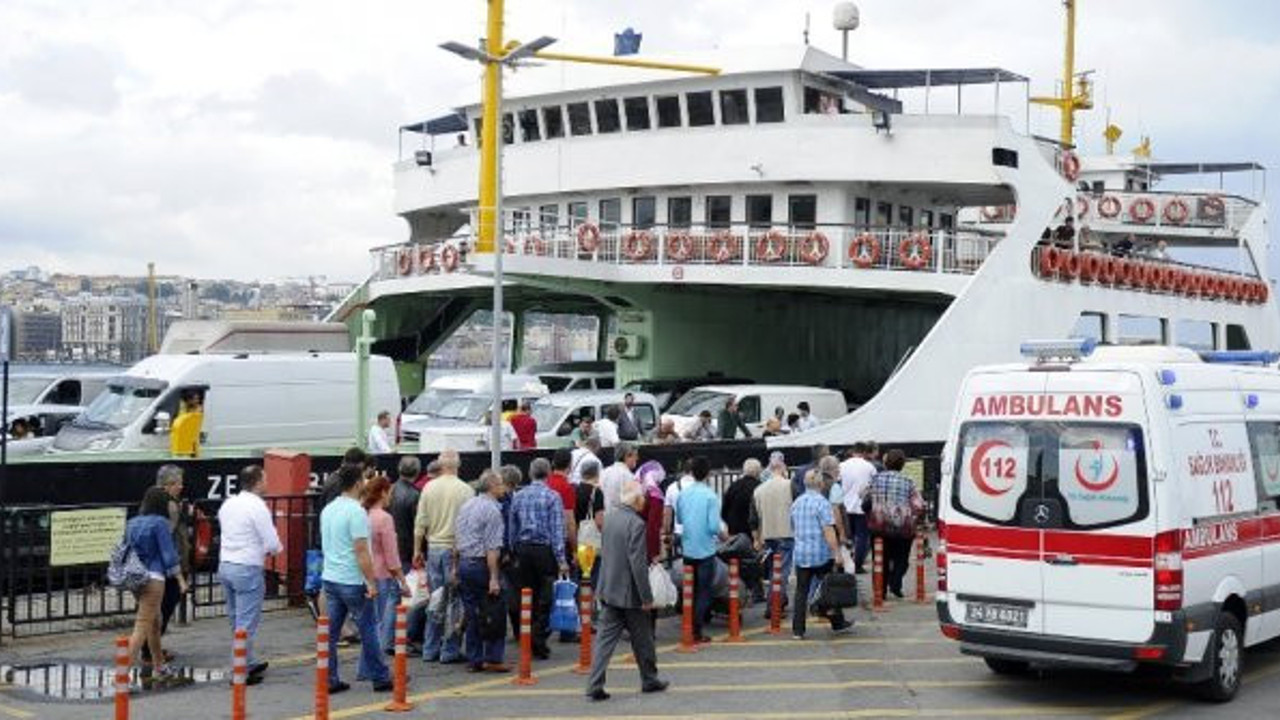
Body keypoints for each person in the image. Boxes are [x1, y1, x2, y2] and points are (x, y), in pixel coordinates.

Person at [585, 480, 668, 701]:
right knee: (643, 640)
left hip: (608, 587)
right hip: (629, 592)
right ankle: (649, 679)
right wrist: (646, 597)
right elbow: (637, 564)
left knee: (604, 640)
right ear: (637, 500)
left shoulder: (610, 518)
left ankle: (595, 682)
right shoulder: (636, 524)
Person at [320, 465, 392, 693]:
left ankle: (329, 678)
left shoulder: (328, 509)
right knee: (368, 628)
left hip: (331, 577)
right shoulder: (356, 512)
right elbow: (361, 549)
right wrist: (371, 582)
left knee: (330, 633)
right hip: (352, 579)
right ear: (358, 484)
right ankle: (380, 676)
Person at [216, 465, 282, 684]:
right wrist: (271, 550)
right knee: (247, 623)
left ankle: (248, 660)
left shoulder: (228, 503)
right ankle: (240, 670)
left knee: (236, 618)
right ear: (257, 483)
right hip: (247, 566)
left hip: (226, 563)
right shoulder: (258, 507)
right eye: (265, 479)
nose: (268, 482)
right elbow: (272, 542)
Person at [411, 449, 474, 664]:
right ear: (458, 465)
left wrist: (417, 550)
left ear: (439, 465)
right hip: (454, 550)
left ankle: (430, 648)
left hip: (433, 548)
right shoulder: (465, 490)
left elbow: (420, 522)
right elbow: (466, 527)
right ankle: (450, 650)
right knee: (454, 603)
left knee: (434, 602)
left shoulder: (429, 487)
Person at [125, 487, 190, 688]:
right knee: (143, 625)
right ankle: (121, 674)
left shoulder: (132, 523)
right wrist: (180, 579)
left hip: (135, 577)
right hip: (154, 577)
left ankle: (160, 667)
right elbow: (169, 555)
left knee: (154, 623)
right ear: (162, 505)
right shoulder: (160, 523)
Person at [508, 457, 570, 660]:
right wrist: (561, 559)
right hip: (544, 551)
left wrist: (513, 549)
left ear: (530, 473)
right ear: (549, 473)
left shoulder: (518, 496)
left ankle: (527, 636)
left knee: (526, 595)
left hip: (523, 550)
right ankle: (538, 636)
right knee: (546, 597)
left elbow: (512, 527)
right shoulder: (553, 497)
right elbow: (557, 530)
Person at [454, 469, 511, 673]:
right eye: (501, 484)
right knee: (494, 610)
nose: (504, 488)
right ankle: (493, 657)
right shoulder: (492, 511)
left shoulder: (467, 505)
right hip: (481, 565)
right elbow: (492, 548)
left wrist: (455, 567)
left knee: (472, 613)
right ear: (493, 486)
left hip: (465, 564)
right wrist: (494, 578)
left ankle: (474, 658)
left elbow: (457, 539)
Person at [790, 470, 852, 639]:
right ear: (821, 484)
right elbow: (828, 530)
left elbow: (793, 527)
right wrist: (836, 552)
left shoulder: (797, 503)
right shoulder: (822, 503)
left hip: (802, 553)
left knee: (801, 591)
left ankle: (798, 629)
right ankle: (837, 622)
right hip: (820, 553)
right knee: (829, 588)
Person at [863, 449, 924, 600]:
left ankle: (880, 590)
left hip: (879, 525)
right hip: (902, 528)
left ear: (885, 463)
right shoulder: (908, 482)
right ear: (903, 464)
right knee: (901, 559)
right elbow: (919, 505)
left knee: (880, 559)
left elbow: (864, 498)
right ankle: (895, 583)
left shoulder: (875, 479)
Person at [674, 456, 722, 643]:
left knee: (690, 590)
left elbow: (679, 520)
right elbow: (713, 527)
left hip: (688, 547)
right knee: (704, 591)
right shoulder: (711, 496)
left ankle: (687, 624)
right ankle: (697, 629)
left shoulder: (683, 494)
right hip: (705, 549)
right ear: (708, 474)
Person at [362, 475, 410, 659]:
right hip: (382, 574)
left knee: (369, 622)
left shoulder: (363, 515)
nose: (390, 496)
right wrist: (402, 580)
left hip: (366, 574)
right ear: (382, 493)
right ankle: (378, 660)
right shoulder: (385, 518)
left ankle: (369, 662)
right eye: (389, 492)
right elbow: (391, 554)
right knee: (382, 620)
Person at [753, 453, 794, 617]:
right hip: (786, 532)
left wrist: (756, 538)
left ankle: (777, 602)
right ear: (783, 469)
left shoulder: (759, 490)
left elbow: (753, 518)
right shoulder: (790, 486)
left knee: (773, 573)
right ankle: (774, 605)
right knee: (782, 573)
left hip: (768, 534)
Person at [155, 465, 190, 646]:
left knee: (162, 609)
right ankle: (149, 652)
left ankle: (153, 651)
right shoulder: (169, 506)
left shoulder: (162, 503)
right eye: (178, 483)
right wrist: (178, 573)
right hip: (170, 566)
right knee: (165, 607)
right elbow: (167, 538)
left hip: (167, 564)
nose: (181, 487)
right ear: (167, 485)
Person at [722, 459, 764, 600]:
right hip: (752, 531)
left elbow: (723, 510)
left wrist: (730, 525)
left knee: (736, 562)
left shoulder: (733, 486)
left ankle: (739, 590)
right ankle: (757, 591)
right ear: (758, 471)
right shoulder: (759, 487)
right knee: (754, 562)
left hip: (735, 531)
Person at [839, 443, 876, 573]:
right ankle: (857, 565)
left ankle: (845, 563)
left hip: (844, 506)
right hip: (861, 507)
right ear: (864, 452)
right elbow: (874, 485)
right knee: (862, 537)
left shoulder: (842, 465)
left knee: (846, 537)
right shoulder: (869, 467)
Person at [600, 442, 639, 512]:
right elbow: (635, 505)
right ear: (627, 456)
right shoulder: (629, 476)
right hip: (623, 519)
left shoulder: (604, 472)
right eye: (635, 455)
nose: (637, 458)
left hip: (606, 518)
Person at [169, 390, 203, 458]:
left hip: (192, 438)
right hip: (182, 439)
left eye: (198, 399)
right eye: (195, 399)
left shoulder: (198, 409)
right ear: (189, 400)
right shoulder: (182, 407)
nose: (197, 401)